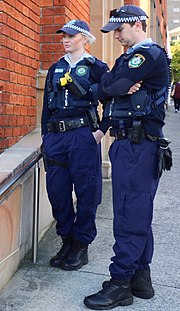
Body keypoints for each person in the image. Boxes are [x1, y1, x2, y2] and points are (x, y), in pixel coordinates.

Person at [84, 4, 171, 309]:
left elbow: (111, 86)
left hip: (138, 146)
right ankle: (140, 278)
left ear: (137, 24)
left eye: (120, 29)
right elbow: (108, 87)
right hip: (129, 145)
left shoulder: (148, 55)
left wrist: (112, 87)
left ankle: (120, 282)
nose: (117, 36)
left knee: (128, 213)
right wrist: (112, 87)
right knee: (137, 211)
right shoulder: (128, 58)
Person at [41, 20, 109, 271]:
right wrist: (45, 139)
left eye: (71, 35)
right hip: (56, 138)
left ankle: (81, 245)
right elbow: (47, 107)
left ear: (85, 38)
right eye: (63, 36)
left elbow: (113, 100)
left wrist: (101, 131)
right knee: (57, 192)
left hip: (83, 136)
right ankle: (66, 240)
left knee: (86, 192)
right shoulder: (55, 68)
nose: (66, 39)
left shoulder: (97, 67)